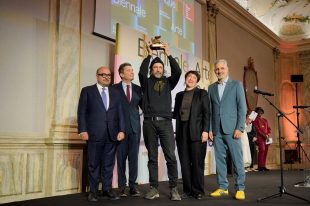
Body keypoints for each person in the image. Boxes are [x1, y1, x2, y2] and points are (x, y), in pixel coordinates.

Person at [139, 42, 181, 201]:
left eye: (160, 67)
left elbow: (177, 71)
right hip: (149, 122)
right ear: (151, 70)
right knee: (152, 157)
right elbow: (141, 73)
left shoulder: (168, 82)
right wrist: (149, 54)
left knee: (170, 155)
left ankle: (174, 188)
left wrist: (168, 53)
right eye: (155, 67)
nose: (158, 69)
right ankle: (154, 188)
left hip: (165, 123)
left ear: (163, 70)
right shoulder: (146, 82)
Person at [77, 66, 125, 201]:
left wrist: (122, 130)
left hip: (112, 134)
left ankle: (107, 189)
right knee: (93, 164)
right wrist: (83, 130)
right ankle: (93, 192)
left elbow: (120, 113)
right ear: (97, 76)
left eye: (109, 75)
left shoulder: (115, 93)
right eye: (103, 74)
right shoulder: (87, 91)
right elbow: (81, 112)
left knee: (109, 164)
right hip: (93, 134)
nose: (106, 77)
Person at [208, 59, 247, 200]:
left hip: (232, 130)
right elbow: (210, 111)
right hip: (217, 131)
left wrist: (240, 128)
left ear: (227, 69)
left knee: (237, 161)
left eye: (222, 68)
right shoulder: (211, 88)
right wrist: (210, 129)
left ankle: (240, 188)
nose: (219, 71)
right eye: (217, 69)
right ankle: (223, 187)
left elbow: (242, 108)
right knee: (219, 162)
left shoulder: (236, 85)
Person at [173, 71, 210, 200]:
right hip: (181, 131)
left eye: (194, 77)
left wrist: (205, 131)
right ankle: (188, 190)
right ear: (185, 78)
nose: (191, 79)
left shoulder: (202, 93)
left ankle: (198, 191)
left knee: (197, 162)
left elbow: (207, 114)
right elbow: (175, 114)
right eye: (189, 77)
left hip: (197, 131)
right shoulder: (179, 95)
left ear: (197, 81)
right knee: (184, 163)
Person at [113, 63, 142, 197]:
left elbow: (144, 107)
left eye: (132, 70)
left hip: (135, 128)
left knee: (133, 159)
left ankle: (133, 186)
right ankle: (122, 187)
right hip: (120, 130)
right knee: (121, 158)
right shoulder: (114, 89)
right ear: (121, 74)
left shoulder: (138, 89)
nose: (132, 72)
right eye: (128, 70)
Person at [252, 107, 271, 171]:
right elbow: (257, 129)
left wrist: (267, 135)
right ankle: (260, 166)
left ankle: (263, 165)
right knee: (262, 150)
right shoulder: (255, 120)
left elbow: (269, 128)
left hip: (266, 138)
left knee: (265, 151)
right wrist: (264, 135)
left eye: (261, 112)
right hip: (259, 137)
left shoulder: (265, 120)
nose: (260, 113)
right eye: (258, 112)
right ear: (256, 113)